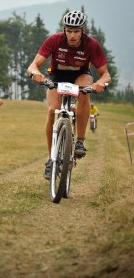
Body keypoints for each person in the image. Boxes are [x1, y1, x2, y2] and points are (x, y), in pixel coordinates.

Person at [27, 10, 111, 180]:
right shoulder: (54, 40)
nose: (72, 35)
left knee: (84, 91)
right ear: (64, 29)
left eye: (76, 31)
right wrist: (36, 73)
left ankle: (80, 141)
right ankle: (51, 158)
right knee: (52, 112)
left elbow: (106, 74)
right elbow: (33, 65)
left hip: (80, 75)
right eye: (69, 30)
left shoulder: (91, 45)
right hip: (57, 77)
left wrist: (100, 83)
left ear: (83, 31)